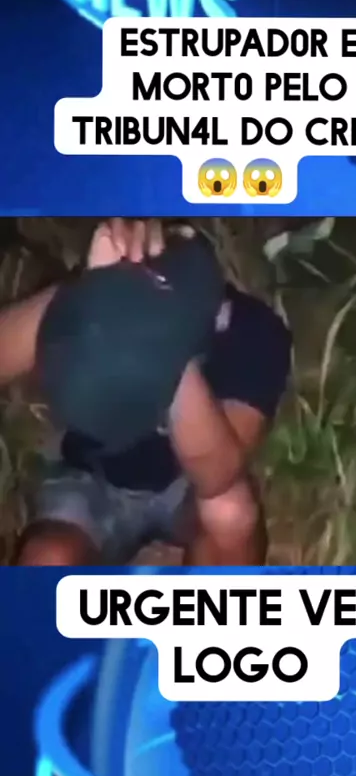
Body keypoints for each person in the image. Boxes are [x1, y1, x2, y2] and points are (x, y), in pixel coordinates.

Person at [0, 218, 291, 567]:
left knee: (231, 514)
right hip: (92, 479)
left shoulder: (254, 329)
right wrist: (85, 293)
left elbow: (219, 475)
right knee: (48, 558)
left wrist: (162, 341)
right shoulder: (98, 300)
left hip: (185, 489)